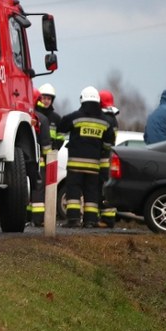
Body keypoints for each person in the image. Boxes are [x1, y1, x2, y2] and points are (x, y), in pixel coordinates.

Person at [57, 87, 115, 228]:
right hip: (94, 166)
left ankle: (74, 220)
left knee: (74, 192)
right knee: (91, 193)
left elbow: (62, 126)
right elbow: (108, 144)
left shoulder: (76, 117)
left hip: (75, 165)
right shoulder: (105, 122)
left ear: (82, 99)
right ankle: (90, 221)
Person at [28, 89, 53, 227]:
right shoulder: (42, 119)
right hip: (39, 161)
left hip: (21, 161)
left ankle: (25, 217)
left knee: (25, 187)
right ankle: (37, 219)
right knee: (38, 188)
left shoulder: (20, 115)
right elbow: (46, 146)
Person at [98, 90, 120, 228]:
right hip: (109, 158)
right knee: (107, 189)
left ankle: (106, 220)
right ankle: (109, 218)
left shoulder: (104, 118)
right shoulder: (113, 118)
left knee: (101, 189)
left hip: (103, 159)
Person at [37, 83, 65, 150]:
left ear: (52, 100)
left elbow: (61, 137)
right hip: (36, 152)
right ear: (39, 99)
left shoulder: (56, 118)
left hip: (52, 153)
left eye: (49, 99)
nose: (46, 101)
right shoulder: (34, 115)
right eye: (44, 98)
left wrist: (55, 148)